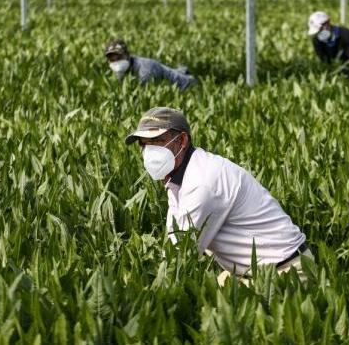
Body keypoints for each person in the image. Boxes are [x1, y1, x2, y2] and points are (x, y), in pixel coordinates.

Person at [125, 107, 312, 286]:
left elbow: (180, 257)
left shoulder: (202, 183)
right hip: (254, 270)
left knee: (203, 309)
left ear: (182, 141)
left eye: (157, 141)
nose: (148, 152)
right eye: (144, 144)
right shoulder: (183, 175)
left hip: (285, 272)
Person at [104, 39, 196, 90]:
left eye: (119, 58)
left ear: (128, 55)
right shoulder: (120, 71)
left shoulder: (145, 69)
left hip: (186, 86)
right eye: (112, 60)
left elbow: (149, 95)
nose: (116, 62)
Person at [308, 11, 349, 77]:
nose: (319, 33)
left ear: (328, 23)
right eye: (317, 31)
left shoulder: (345, 34)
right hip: (333, 72)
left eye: (320, 29)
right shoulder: (317, 40)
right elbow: (323, 60)